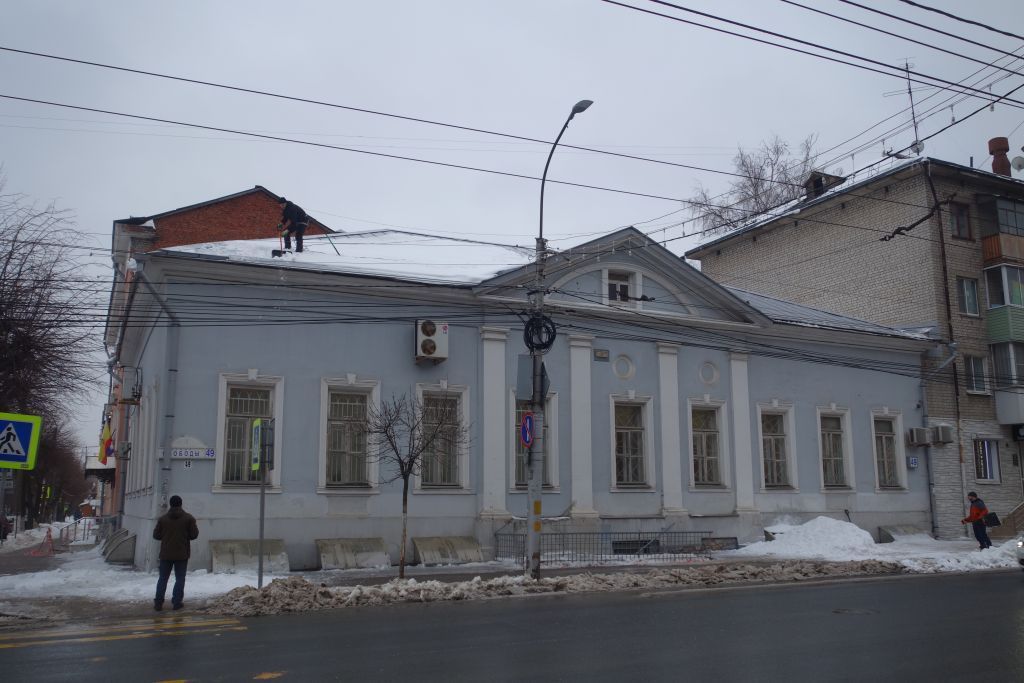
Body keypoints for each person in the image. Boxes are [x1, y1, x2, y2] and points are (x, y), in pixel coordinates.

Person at [153, 494, 199, 611]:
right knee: (180, 579)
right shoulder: (189, 518)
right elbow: (194, 535)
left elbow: (156, 535)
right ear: (181, 504)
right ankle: (177, 602)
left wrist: (166, 536)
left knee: (163, 578)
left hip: (165, 554)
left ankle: (158, 603)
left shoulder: (163, 519)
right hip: (182, 554)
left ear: (170, 504)